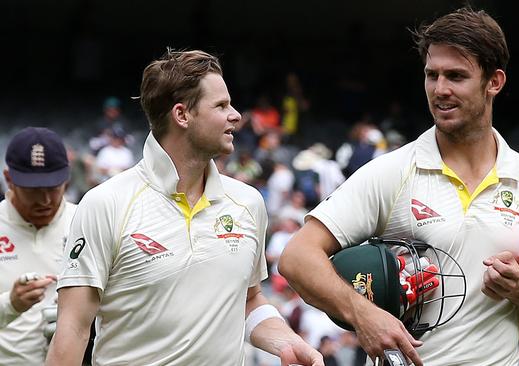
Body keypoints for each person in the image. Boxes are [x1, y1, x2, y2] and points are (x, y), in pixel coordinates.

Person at [278, 8, 519, 366]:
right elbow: (297, 257)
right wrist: (363, 314)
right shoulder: (392, 172)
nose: (440, 90)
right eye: (432, 75)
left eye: (456, 76)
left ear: (495, 82)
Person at [45, 49, 323, 366]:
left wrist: (287, 341)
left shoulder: (247, 203)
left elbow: (247, 300)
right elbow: (73, 330)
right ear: (182, 115)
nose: (236, 115)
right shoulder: (105, 203)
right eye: (221, 105)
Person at [0, 127, 76, 364]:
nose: (44, 201)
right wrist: (10, 304)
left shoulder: (86, 221)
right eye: (33, 190)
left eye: (53, 188)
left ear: (67, 177)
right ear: (9, 179)